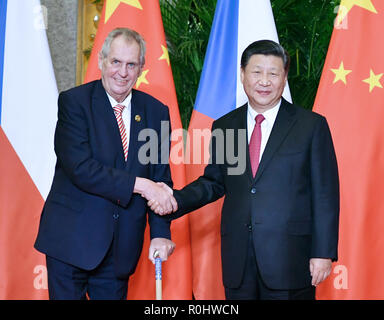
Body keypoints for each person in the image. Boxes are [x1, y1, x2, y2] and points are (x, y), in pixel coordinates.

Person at [150, 40, 339, 300]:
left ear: (284, 78)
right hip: (238, 261)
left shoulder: (310, 126)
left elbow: (325, 194)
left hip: (290, 259)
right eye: (256, 71)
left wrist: (323, 252)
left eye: (273, 73)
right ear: (242, 75)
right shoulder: (227, 126)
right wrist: (173, 199)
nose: (264, 81)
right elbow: (214, 183)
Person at [34, 28, 176, 300]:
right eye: (116, 62)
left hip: (120, 249)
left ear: (141, 68)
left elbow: (160, 180)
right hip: (70, 243)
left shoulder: (156, 113)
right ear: (101, 61)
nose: (122, 72)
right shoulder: (74, 103)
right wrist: (141, 185)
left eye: (131, 64)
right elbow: (81, 168)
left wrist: (160, 233)